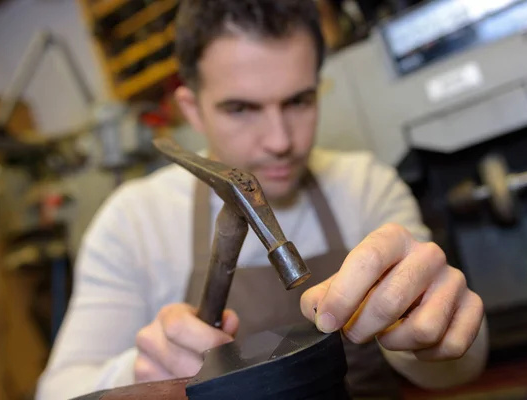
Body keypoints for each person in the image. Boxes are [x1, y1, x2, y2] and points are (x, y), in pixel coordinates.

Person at [36, 0, 488, 399]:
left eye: (298, 101)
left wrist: (436, 331)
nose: (279, 141)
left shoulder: (367, 185)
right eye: (241, 109)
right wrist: (139, 373)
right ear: (192, 109)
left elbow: (458, 370)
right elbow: (57, 391)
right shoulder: (133, 222)